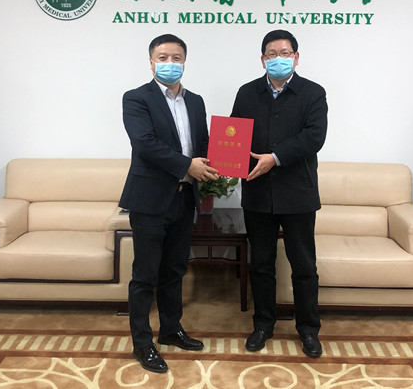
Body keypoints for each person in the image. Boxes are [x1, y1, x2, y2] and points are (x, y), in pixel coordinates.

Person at [119, 33, 219, 373]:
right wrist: (187, 164)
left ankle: (171, 329)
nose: (170, 64)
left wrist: (218, 161)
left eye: (176, 58)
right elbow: (145, 143)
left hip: (184, 198)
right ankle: (142, 343)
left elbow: (202, 142)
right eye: (163, 58)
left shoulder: (196, 101)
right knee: (145, 275)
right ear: (151, 62)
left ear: (185, 62)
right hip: (150, 199)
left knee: (175, 270)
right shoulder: (136, 98)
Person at [231, 29, 328, 358]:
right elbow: (234, 135)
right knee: (261, 264)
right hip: (257, 192)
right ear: (263, 60)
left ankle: (308, 329)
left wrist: (275, 157)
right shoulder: (247, 93)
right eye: (271, 54)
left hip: (298, 192)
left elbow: (314, 137)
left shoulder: (313, 93)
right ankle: (263, 325)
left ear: (296, 57)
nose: (278, 59)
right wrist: (226, 159)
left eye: (285, 53)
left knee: (304, 266)